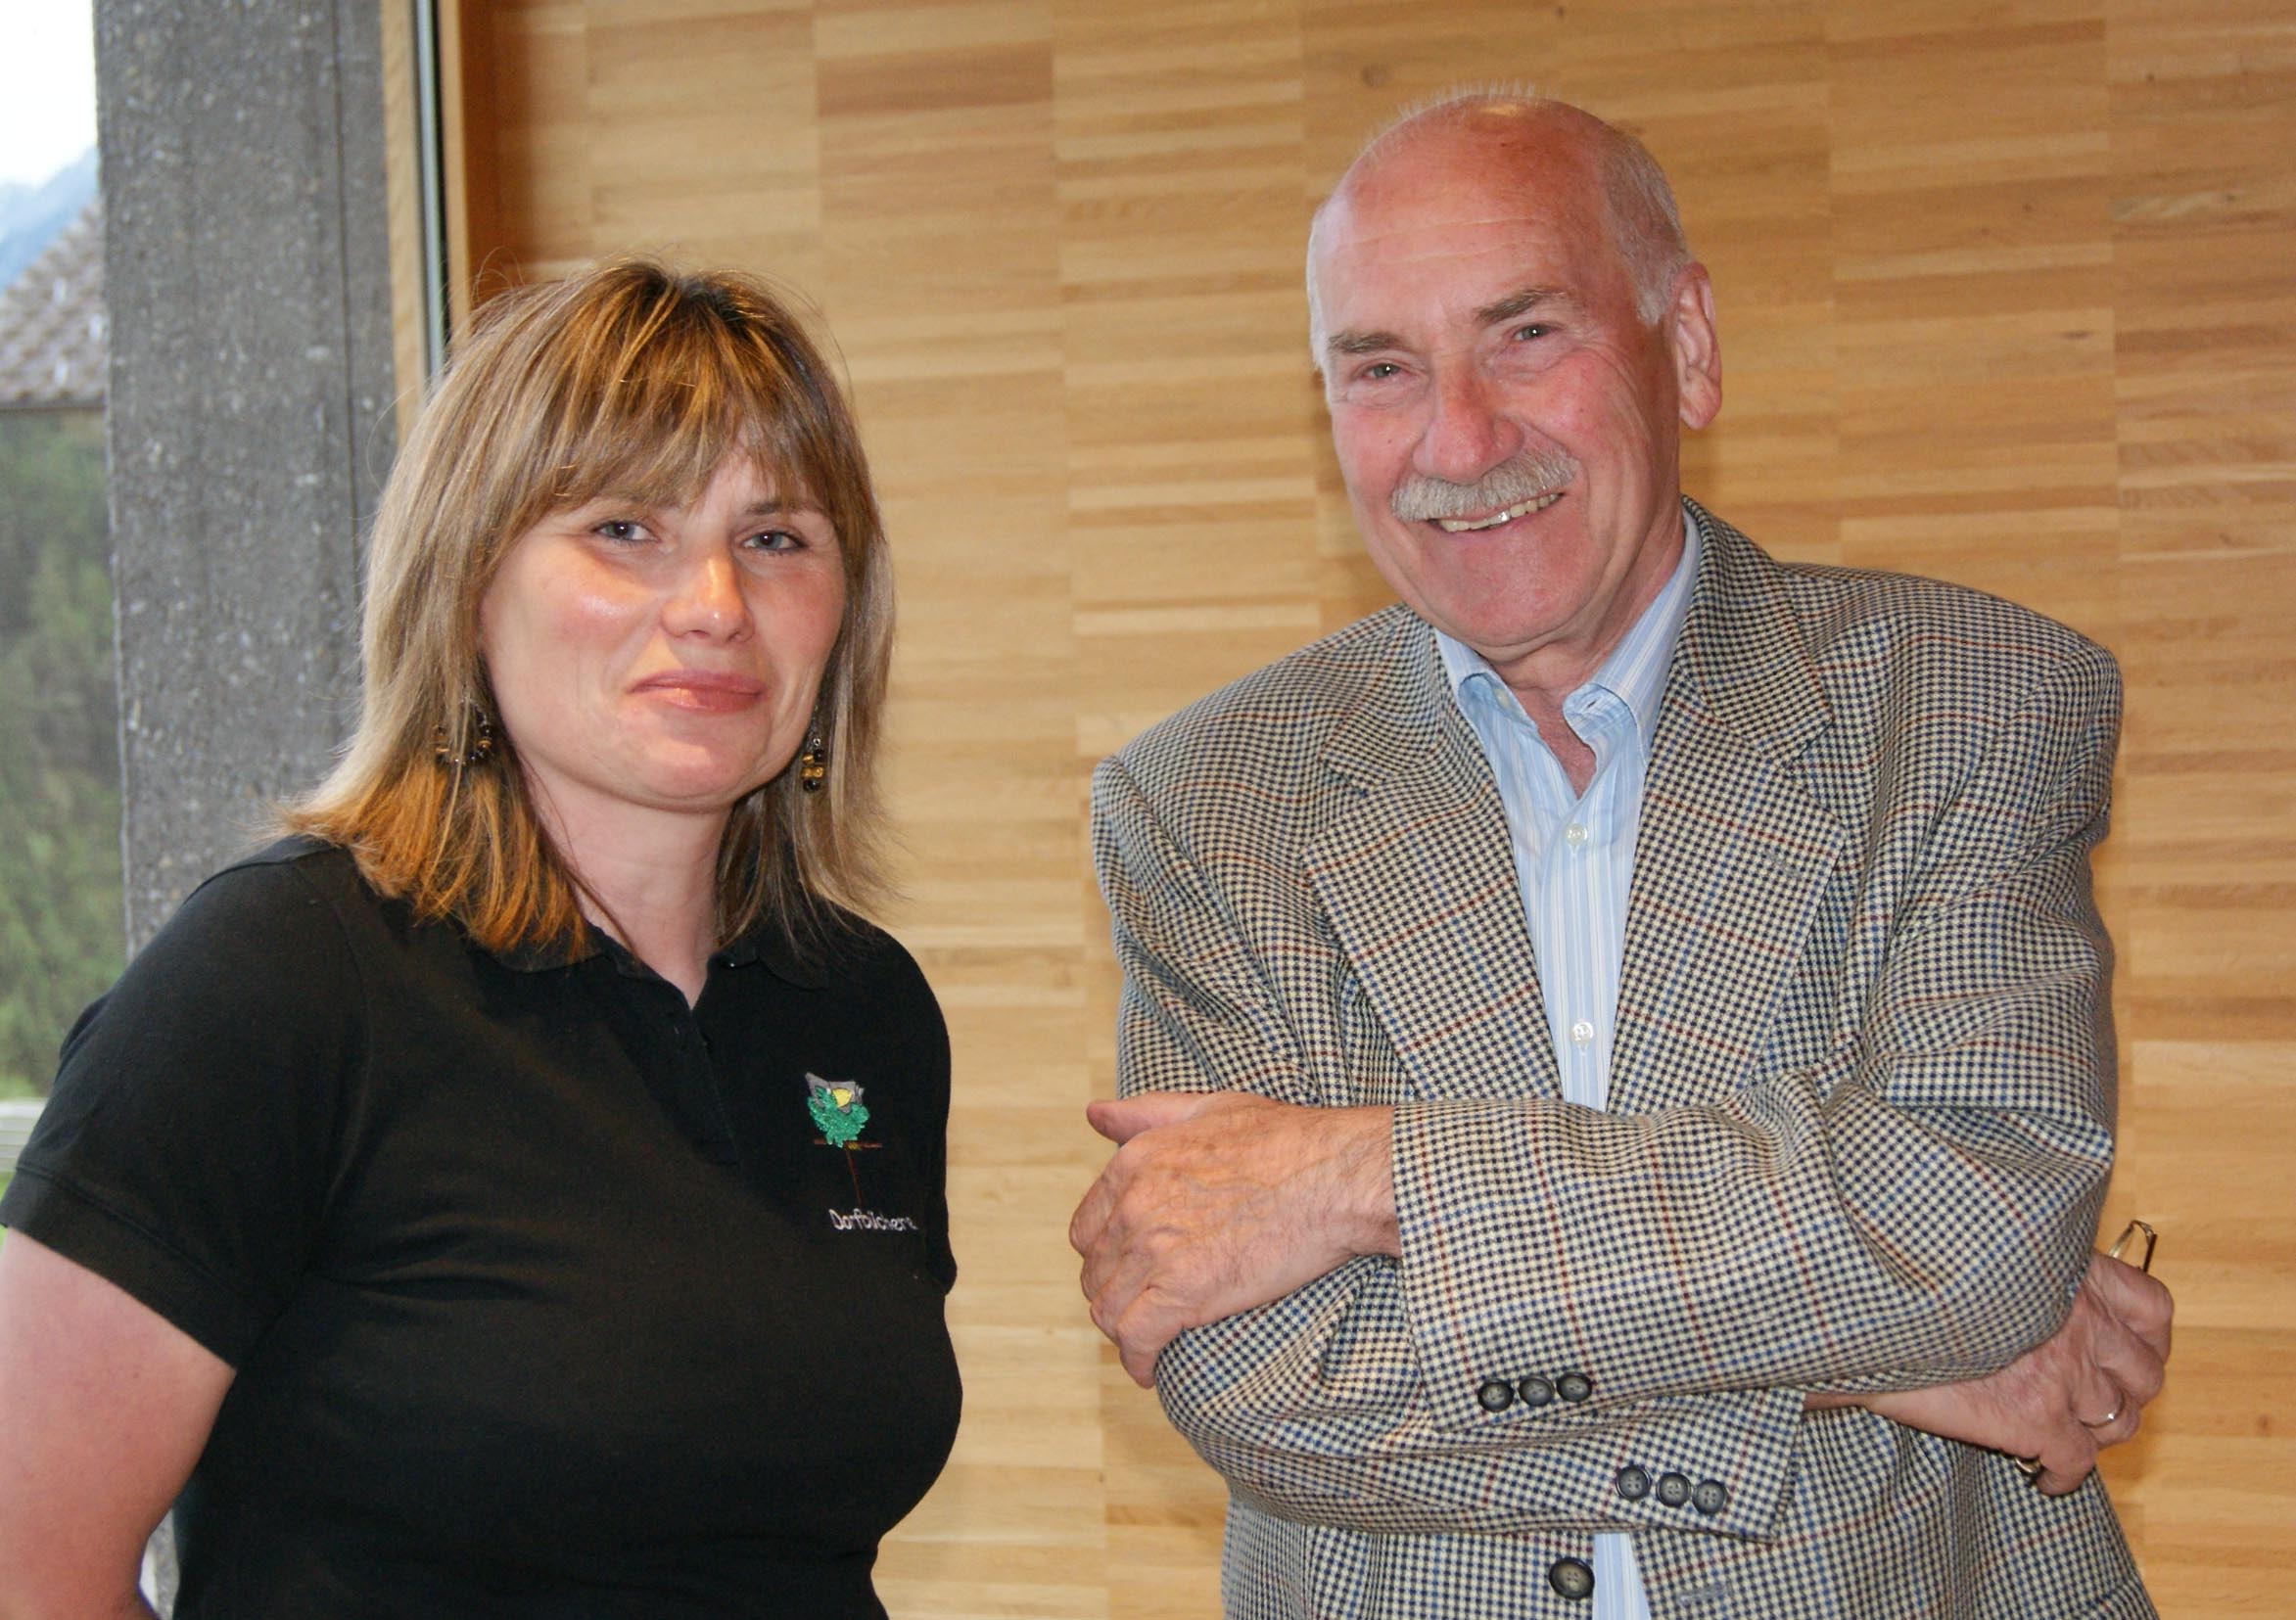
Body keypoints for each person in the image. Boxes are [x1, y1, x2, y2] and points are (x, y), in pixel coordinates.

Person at [1069, 94, 2173, 1617]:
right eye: (1380, 369)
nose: (1458, 439)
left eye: (1525, 336)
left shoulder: (1972, 699)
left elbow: (1969, 1223)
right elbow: (1258, 1376)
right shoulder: (1200, 800)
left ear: (1688, 347)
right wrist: (1879, 1372)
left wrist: (1365, 1178)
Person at [0, 261, 958, 1619]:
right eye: (625, 527)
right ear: (468, 583)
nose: (713, 603)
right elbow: (27, 1571)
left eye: (775, 538)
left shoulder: (861, 1007)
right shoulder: (281, 979)